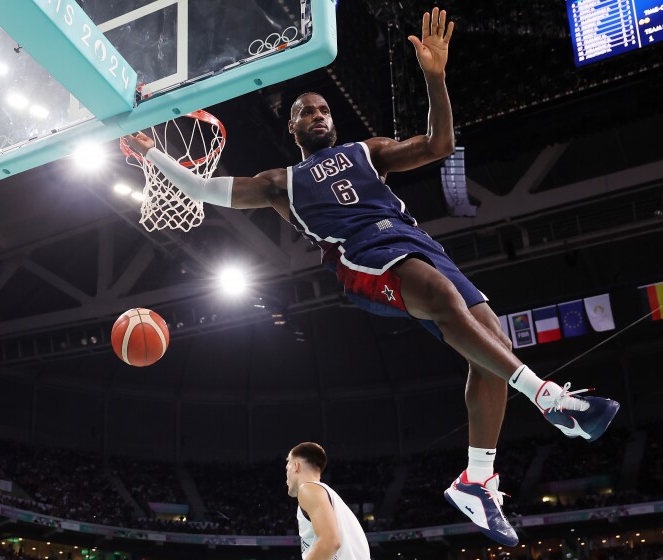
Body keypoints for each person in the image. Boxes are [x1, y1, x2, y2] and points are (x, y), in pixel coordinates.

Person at [124, 7, 620, 545]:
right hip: (363, 256)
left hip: (416, 242)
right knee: (440, 297)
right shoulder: (279, 183)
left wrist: (435, 77)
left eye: (322, 109)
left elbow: (438, 146)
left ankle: (478, 478)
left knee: (490, 342)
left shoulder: (369, 151)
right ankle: (548, 397)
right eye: (305, 111)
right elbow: (202, 190)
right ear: (291, 127)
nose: (317, 114)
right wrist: (155, 154)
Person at [285, 442, 371, 560]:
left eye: (287, 468)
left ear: (296, 466)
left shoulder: (308, 489)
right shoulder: (333, 499)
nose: (286, 476)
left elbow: (330, 542)